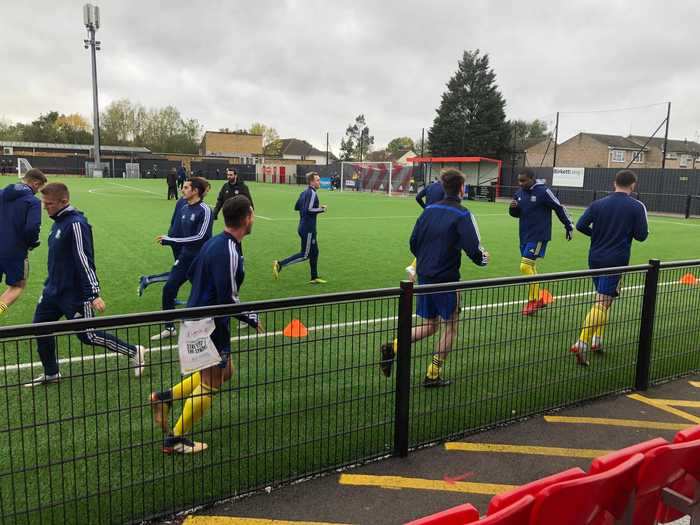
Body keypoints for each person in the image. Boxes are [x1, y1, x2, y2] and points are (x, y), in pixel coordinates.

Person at [150, 195, 262, 454]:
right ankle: (175, 439)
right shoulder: (229, 249)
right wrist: (250, 316)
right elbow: (228, 298)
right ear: (247, 218)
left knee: (226, 372)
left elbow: (192, 274)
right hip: (208, 324)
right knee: (212, 381)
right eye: (253, 215)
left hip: (199, 317)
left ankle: (164, 398)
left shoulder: (215, 243)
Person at [24, 183, 146, 387]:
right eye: (44, 203)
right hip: (52, 291)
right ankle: (51, 373)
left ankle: (134, 351)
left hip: (75, 295)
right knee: (40, 328)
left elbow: (84, 259)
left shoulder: (76, 224)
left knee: (88, 336)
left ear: (64, 201)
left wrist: (93, 293)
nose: (45, 208)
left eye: (49, 204)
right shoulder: (58, 222)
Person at [379, 169, 489, 387]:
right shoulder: (463, 214)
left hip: (425, 277)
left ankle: (393, 346)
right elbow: (474, 249)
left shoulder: (427, 211)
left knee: (431, 325)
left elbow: (413, 242)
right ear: (461, 189)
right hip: (446, 279)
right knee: (450, 327)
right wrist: (483, 259)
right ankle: (432, 374)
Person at [570, 170, 648, 366]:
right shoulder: (637, 206)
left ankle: (597, 339)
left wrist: (596, 234)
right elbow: (641, 236)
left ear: (615, 183)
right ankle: (582, 342)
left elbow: (580, 225)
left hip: (594, 258)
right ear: (633, 185)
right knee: (603, 301)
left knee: (606, 299)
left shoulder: (598, 204)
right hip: (616, 259)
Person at [150, 178, 213, 340]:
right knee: (169, 288)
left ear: (195, 191)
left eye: (186, 187)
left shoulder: (205, 210)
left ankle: (246, 314)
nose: (182, 190)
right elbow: (179, 234)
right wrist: (168, 240)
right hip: (185, 258)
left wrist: (173, 240)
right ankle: (169, 327)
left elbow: (200, 237)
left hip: (201, 259)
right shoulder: (184, 208)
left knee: (212, 293)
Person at [509, 169, 574, 316]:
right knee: (530, 266)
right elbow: (516, 214)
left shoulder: (543, 191)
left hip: (539, 236)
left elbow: (558, 207)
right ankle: (540, 298)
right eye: (519, 181)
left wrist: (568, 226)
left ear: (532, 178)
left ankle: (533, 301)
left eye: (523, 180)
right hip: (524, 235)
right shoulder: (519, 193)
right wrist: (513, 209)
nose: (521, 184)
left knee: (525, 266)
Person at [0, 168, 47, 317]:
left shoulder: (2, 193)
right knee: (18, 286)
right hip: (14, 250)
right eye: (39, 187)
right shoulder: (33, 202)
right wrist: (33, 242)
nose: (38, 191)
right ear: (35, 183)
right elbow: (32, 228)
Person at [272, 172, 327, 284]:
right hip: (308, 229)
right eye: (317, 180)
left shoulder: (304, 193)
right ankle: (280, 264)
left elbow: (296, 207)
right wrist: (322, 209)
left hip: (303, 227)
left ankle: (314, 277)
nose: (319, 182)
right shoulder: (312, 193)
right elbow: (309, 210)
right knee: (305, 255)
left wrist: (305, 206)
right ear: (311, 182)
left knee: (315, 252)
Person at [406, 176, 446, 281]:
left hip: (426, 217)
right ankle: (415, 267)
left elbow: (418, 197)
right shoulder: (445, 188)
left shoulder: (430, 186)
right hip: (438, 218)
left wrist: (425, 208)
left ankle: (413, 266)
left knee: (428, 243)